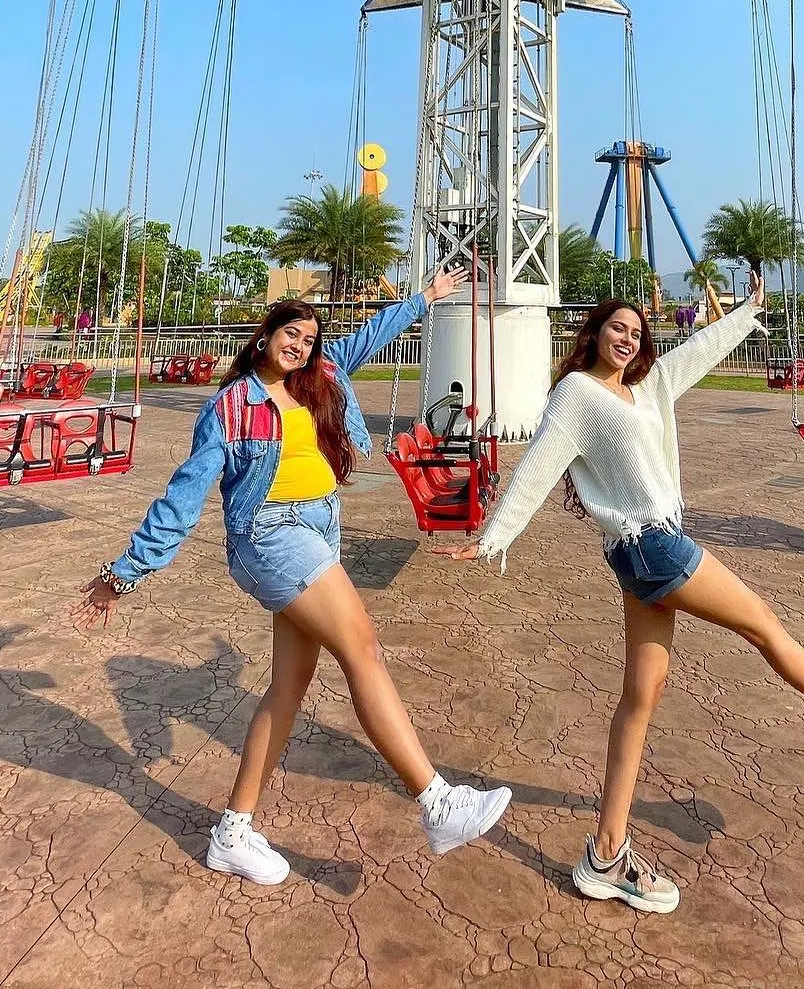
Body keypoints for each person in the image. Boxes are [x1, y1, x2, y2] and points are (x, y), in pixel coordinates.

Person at [451, 281, 804, 915]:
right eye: (617, 328)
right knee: (764, 624)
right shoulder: (578, 396)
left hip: (641, 551)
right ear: (592, 334)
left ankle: (604, 855)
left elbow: (693, 356)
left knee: (638, 701)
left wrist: (750, 313)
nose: (629, 339)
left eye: (637, 332)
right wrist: (492, 538)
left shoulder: (643, 390)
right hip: (653, 547)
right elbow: (537, 466)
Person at [75, 268, 512, 885]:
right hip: (269, 538)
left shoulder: (321, 378)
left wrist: (427, 297)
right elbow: (184, 496)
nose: (300, 346)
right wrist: (122, 574)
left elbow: (371, 336)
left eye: (308, 339)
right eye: (290, 334)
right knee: (360, 643)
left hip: (318, 529)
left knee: (290, 685)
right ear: (265, 337)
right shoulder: (230, 408)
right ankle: (437, 800)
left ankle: (232, 831)